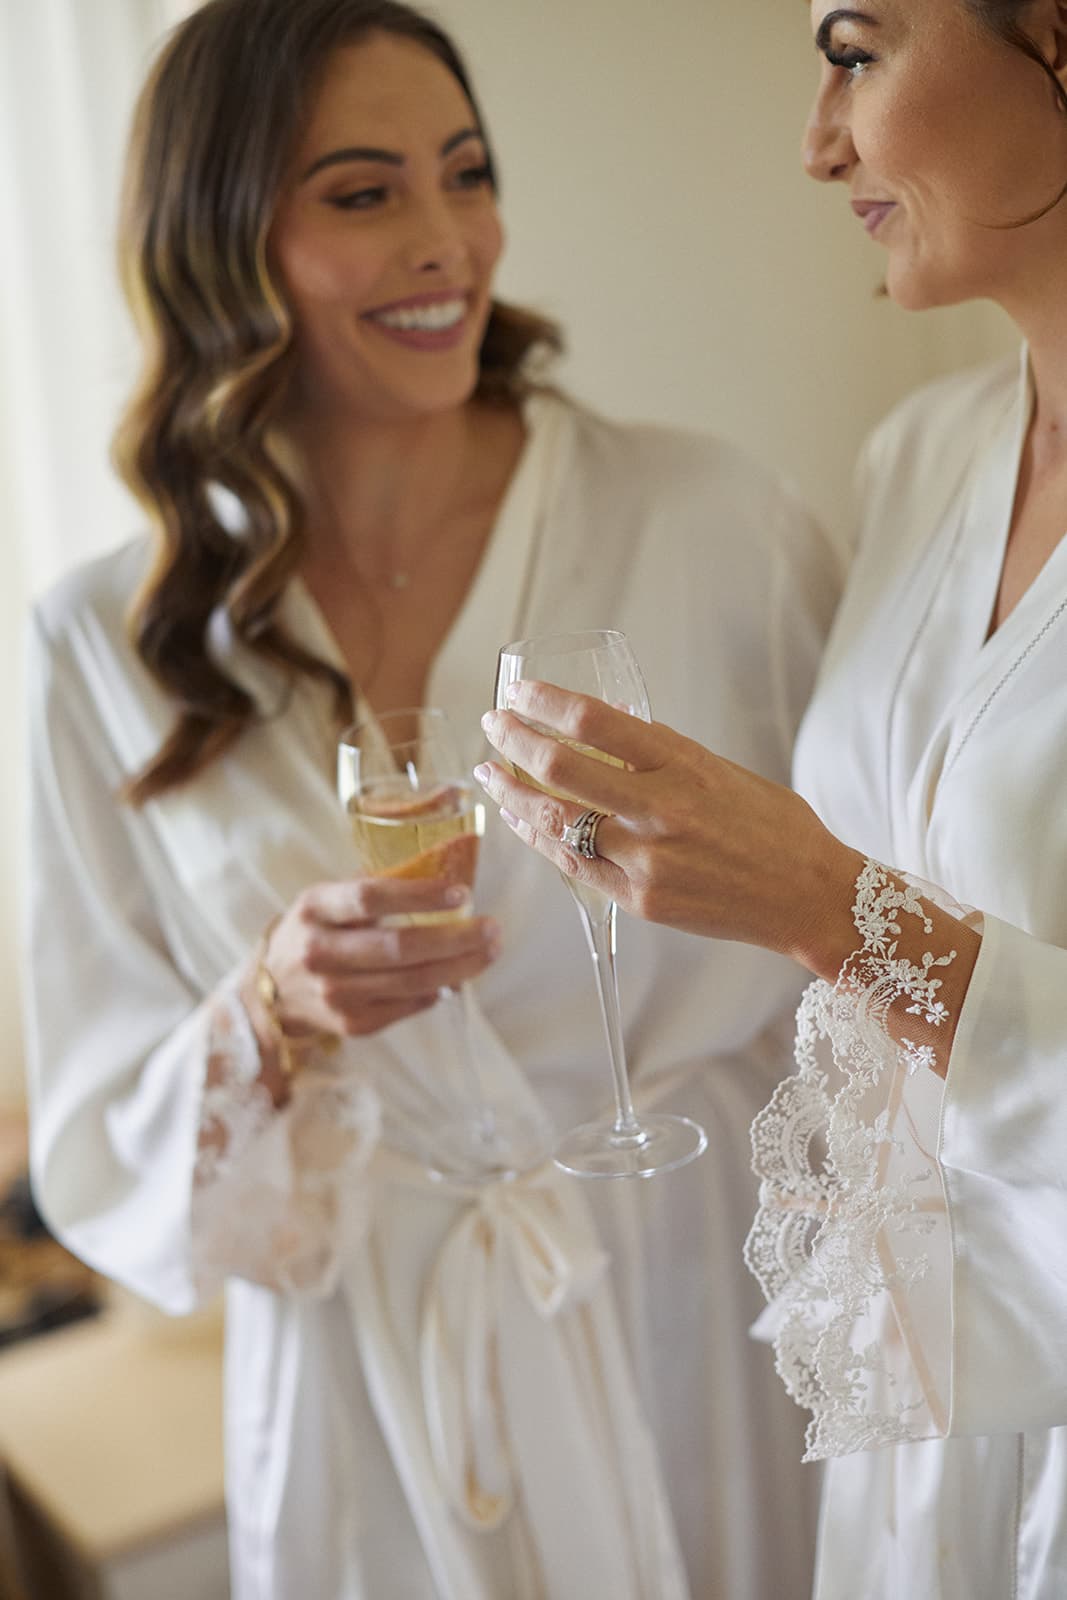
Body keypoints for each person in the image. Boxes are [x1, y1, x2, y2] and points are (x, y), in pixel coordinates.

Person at [22, 1, 843, 1595]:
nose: (447, 241)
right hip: (366, 1391)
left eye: (465, 174)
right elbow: (97, 1138)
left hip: (689, 1313)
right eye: (361, 192)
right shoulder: (106, 644)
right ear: (222, 248)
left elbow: (869, 947)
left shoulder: (709, 528)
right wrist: (269, 1013)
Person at [477, 1, 1067, 1596]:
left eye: (856, 53)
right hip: (916, 1424)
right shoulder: (920, 461)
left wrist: (828, 905)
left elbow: (848, 908)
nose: (817, 139)